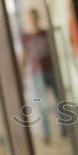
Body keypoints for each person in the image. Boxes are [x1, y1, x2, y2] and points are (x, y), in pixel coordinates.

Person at [20, 9, 66, 143]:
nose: (33, 21)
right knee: (42, 105)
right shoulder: (25, 37)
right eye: (30, 18)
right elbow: (23, 56)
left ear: (38, 18)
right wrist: (22, 75)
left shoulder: (45, 33)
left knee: (59, 102)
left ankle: (64, 130)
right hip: (36, 74)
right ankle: (47, 134)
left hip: (51, 70)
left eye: (34, 17)